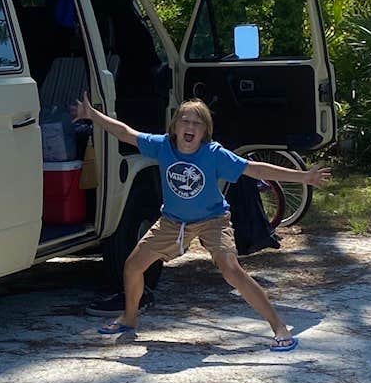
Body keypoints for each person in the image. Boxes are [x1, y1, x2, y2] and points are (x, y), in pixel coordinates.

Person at [71, 94, 329, 351]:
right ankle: (129, 318)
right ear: (174, 126)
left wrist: (304, 177)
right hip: (173, 222)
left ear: (205, 131)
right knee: (132, 266)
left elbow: (255, 169)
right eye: (185, 121)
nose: (190, 127)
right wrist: (93, 115)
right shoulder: (162, 146)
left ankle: (279, 327)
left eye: (197, 123)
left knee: (232, 270)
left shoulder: (214, 154)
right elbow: (125, 133)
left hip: (212, 220)